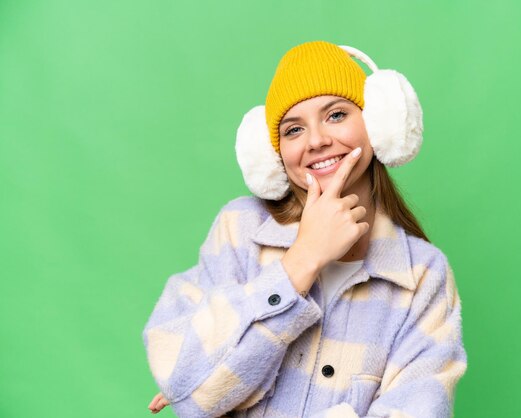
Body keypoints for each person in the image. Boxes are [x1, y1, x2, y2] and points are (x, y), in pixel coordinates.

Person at [143, 40, 468, 417]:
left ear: (378, 125)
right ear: (274, 152)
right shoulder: (240, 230)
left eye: (336, 115)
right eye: (294, 129)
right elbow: (192, 394)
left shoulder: (423, 275)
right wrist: (301, 261)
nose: (316, 141)